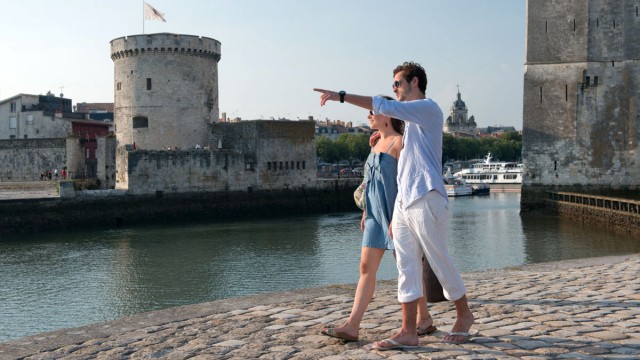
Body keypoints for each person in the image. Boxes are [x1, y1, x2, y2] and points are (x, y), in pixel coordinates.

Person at [313, 61, 474, 349]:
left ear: (414, 81)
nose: (394, 89)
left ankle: (464, 314)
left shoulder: (428, 108)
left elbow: (383, 107)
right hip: (405, 201)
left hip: (427, 195)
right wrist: (383, 136)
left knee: (438, 259)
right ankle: (408, 330)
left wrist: (340, 96)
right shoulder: (411, 124)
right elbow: (399, 149)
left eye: (398, 84)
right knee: (407, 268)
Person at [320, 101, 436, 343]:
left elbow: (406, 183)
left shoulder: (400, 144)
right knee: (366, 269)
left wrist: (399, 217)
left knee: (408, 270)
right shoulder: (374, 145)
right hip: (374, 216)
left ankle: (424, 319)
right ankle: (352, 326)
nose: (369, 114)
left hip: (397, 216)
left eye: (374, 111)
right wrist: (365, 211)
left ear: (388, 116)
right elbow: (369, 182)